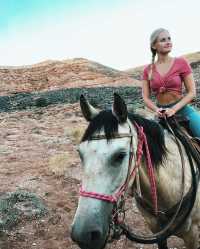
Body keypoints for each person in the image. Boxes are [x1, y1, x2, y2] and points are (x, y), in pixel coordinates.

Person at [142, 28, 200, 138]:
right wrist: (157, 110)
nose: (168, 42)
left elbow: (192, 92)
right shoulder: (147, 70)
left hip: (183, 110)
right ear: (154, 46)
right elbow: (145, 97)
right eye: (163, 40)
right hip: (161, 114)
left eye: (169, 39)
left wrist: (173, 109)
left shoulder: (181, 62)